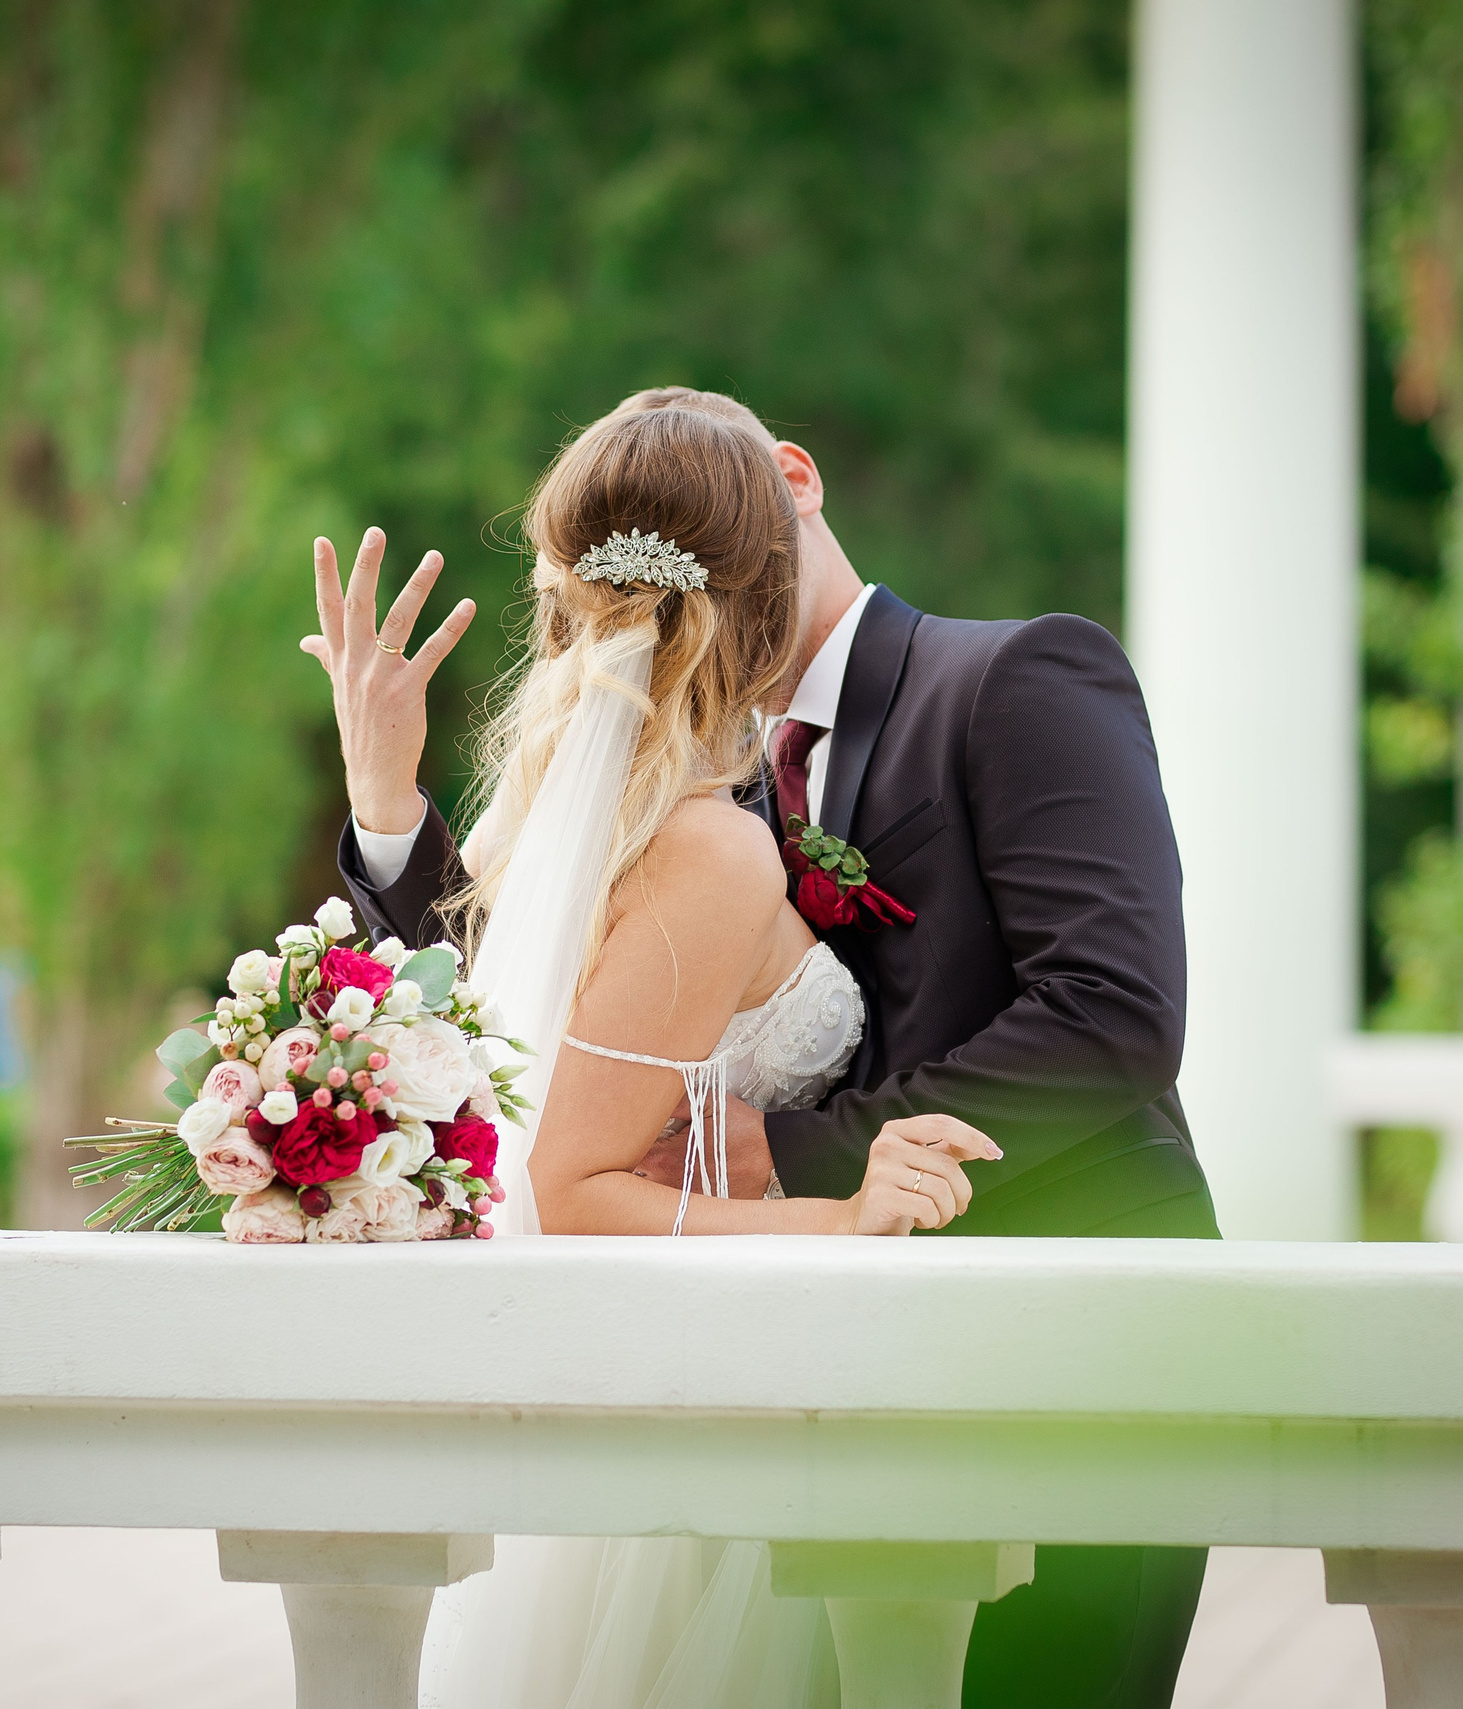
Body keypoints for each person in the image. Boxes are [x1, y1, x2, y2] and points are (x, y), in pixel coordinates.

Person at [302, 387, 1216, 1709]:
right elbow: (546, 998)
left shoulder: (1013, 679)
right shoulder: (703, 786)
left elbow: (1116, 1012)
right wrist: (391, 812)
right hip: (815, 1389)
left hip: (1071, 1350)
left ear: (799, 475)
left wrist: (795, 1157)